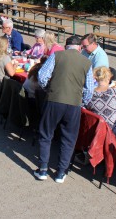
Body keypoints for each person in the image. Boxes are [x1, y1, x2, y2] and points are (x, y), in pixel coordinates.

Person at [34, 35, 96, 183]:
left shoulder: (57, 55)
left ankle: (42, 169)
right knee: (69, 139)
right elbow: (90, 90)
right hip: (74, 104)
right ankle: (61, 172)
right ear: (79, 48)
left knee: (46, 134)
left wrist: (49, 89)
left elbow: (42, 77)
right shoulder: (86, 62)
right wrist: (81, 102)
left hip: (54, 99)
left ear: (66, 46)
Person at [85, 66, 116, 137]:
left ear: (96, 79)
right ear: (109, 78)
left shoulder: (89, 94)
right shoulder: (115, 92)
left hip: (93, 129)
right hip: (111, 130)